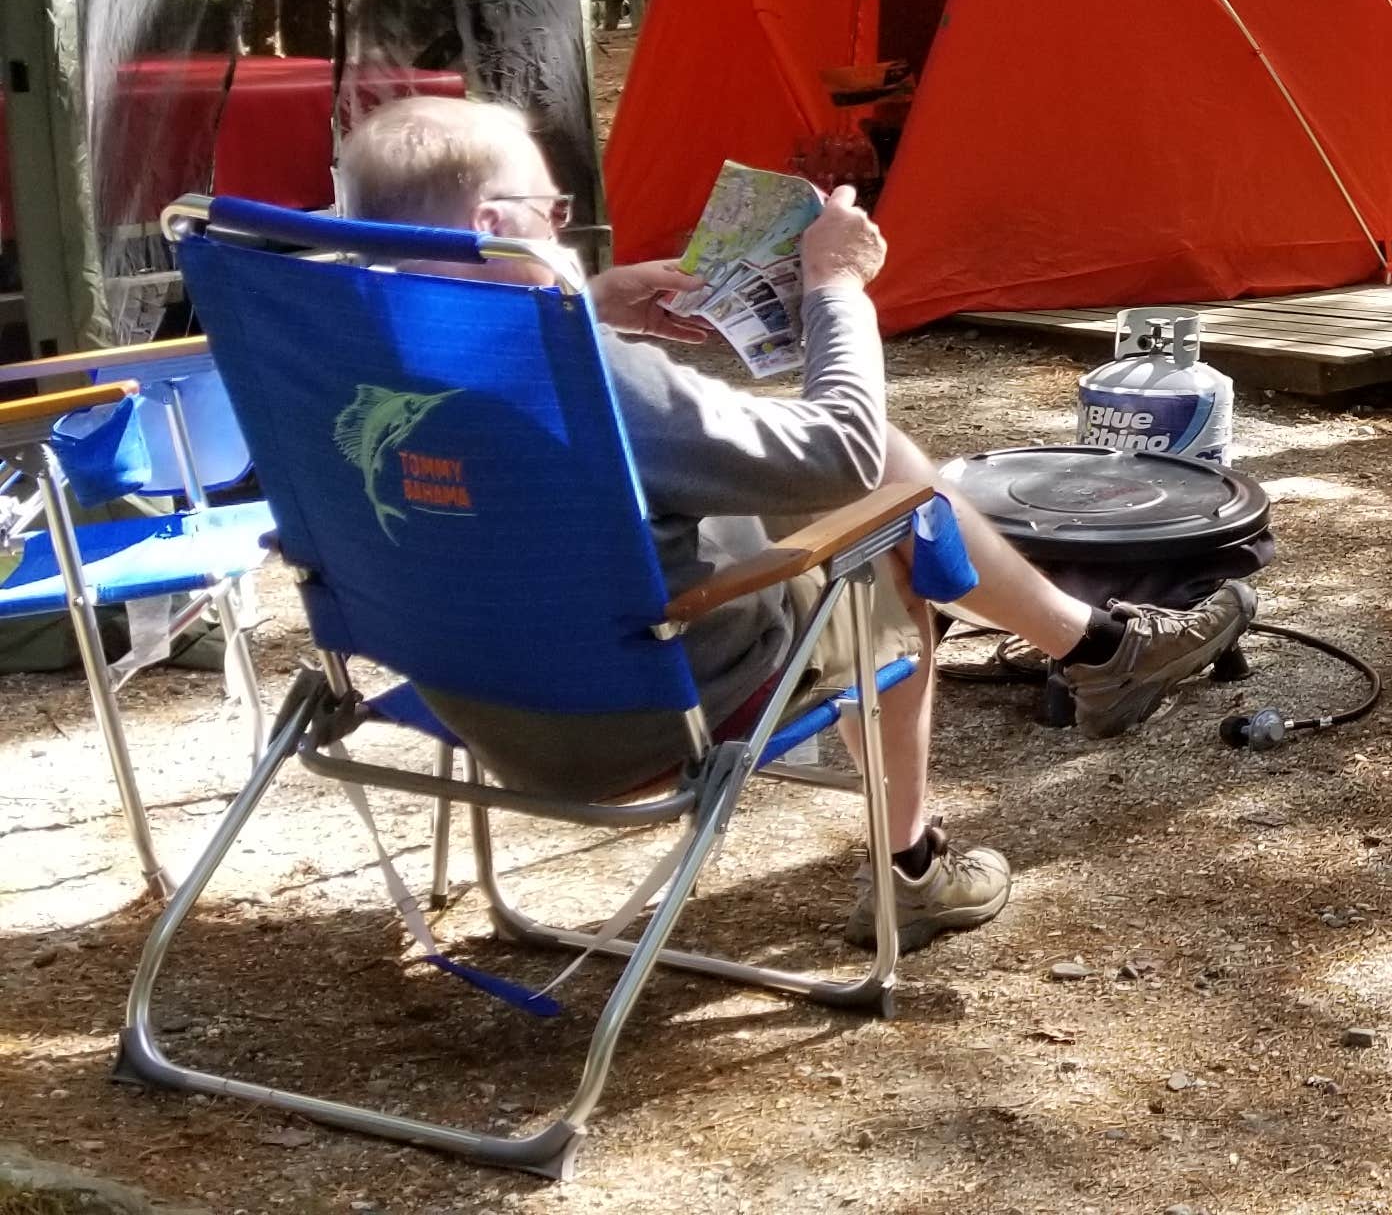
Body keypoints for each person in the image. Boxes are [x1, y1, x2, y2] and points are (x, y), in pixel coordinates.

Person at [327, 97, 1257, 950]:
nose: (562, 228)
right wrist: (836, 288)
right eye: (554, 210)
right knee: (889, 535)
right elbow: (842, 449)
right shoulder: (576, 375)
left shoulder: (321, 358)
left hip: (464, 687)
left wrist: (596, 304)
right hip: (633, 718)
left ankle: (1095, 647)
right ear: (495, 226)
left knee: (880, 473)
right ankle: (914, 868)